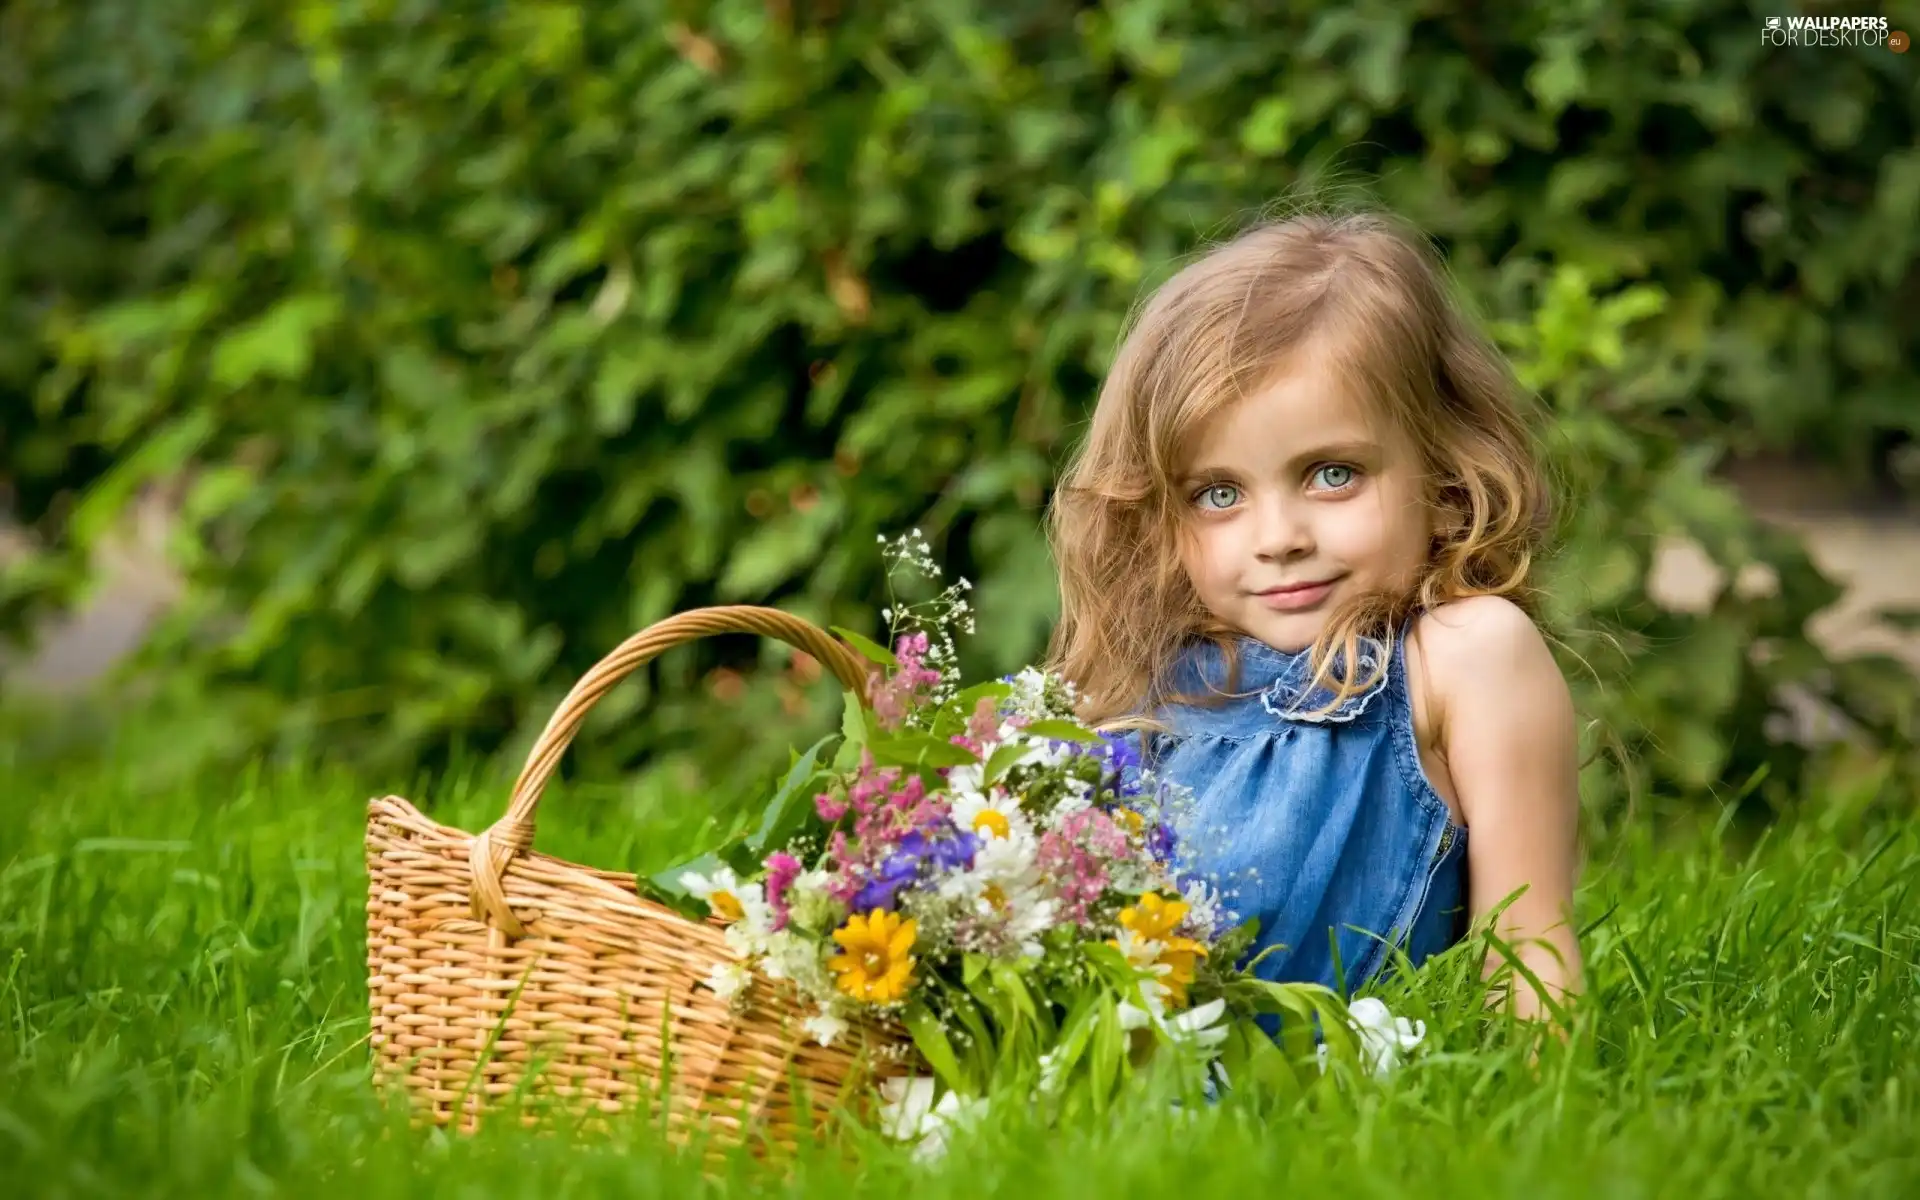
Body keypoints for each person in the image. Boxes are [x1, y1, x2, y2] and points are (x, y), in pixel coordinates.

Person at [1046, 208, 1584, 1022]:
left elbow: (1528, 947)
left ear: (1445, 480)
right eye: (1218, 494)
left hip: (1311, 1101)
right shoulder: (1154, 684)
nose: (1279, 540)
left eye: (1332, 474)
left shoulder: (1461, 658)